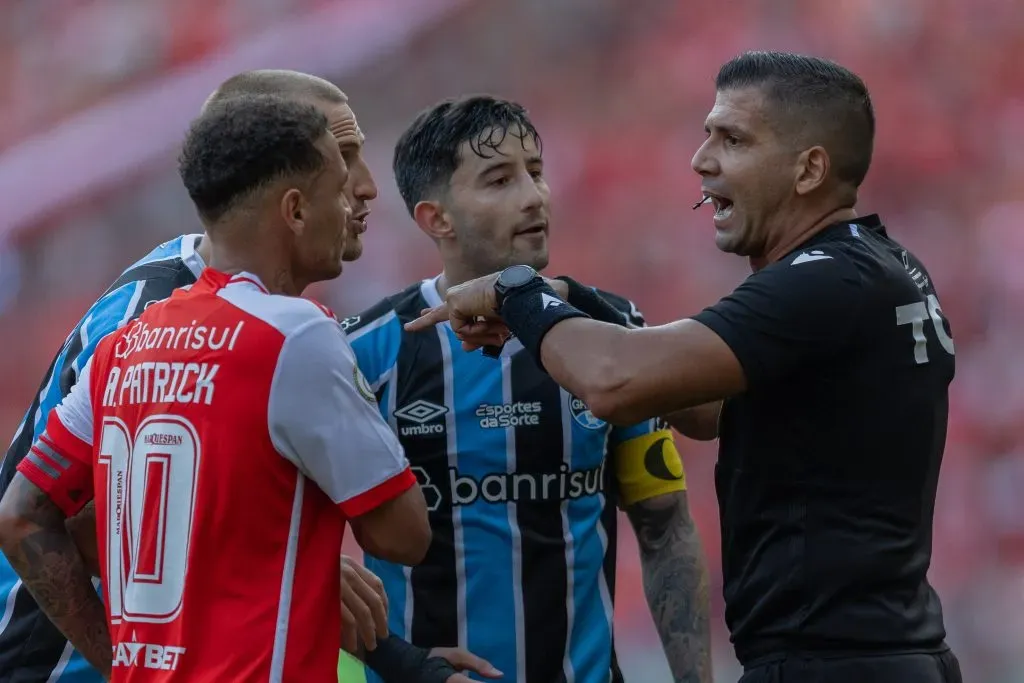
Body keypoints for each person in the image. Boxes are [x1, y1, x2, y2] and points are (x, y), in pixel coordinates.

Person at [407, 52, 963, 683]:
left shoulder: (826, 280)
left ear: (809, 169)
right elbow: (707, 409)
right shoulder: (874, 266)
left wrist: (518, 293)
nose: (702, 159)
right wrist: (579, 304)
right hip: (883, 652)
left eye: (732, 139)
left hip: (835, 663)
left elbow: (616, 382)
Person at [0, 73, 495, 683]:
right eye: (342, 161)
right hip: (55, 661)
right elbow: (91, 523)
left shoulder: (190, 316)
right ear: (285, 191)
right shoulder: (165, 316)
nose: (365, 187)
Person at [344, 94, 711, 683]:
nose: (534, 196)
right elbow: (293, 549)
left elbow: (664, 524)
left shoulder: (612, 336)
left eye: (536, 173)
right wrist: (401, 662)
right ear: (435, 218)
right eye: (498, 180)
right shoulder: (365, 355)